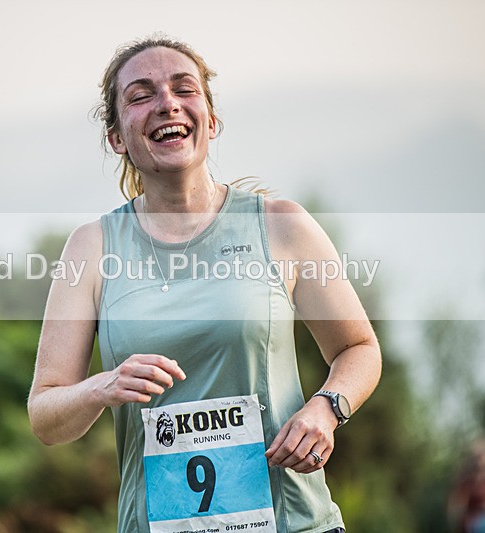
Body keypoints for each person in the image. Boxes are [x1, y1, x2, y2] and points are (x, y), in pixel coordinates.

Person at [28, 35, 382, 533]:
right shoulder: (91, 247)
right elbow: (45, 415)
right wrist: (101, 387)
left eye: (183, 88)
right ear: (116, 138)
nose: (167, 103)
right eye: (141, 95)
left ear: (211, 121)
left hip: (294, 523)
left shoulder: (281, 225)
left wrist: (327, 408)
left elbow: (359, 348)